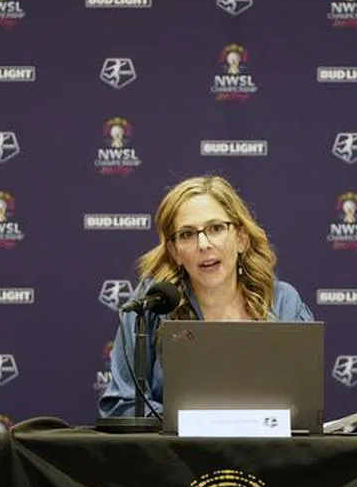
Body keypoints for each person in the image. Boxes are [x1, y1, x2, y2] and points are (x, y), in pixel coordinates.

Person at [98, 175, 314, 419]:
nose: (203, 244)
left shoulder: (283, 302)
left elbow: (303, 409)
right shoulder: (152, 305)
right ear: (174, 251)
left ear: (241, 238)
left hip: (263, 455)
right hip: (175, 455)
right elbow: (120, 405)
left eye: (216, 228)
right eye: (187, 234)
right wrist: (197, 424)